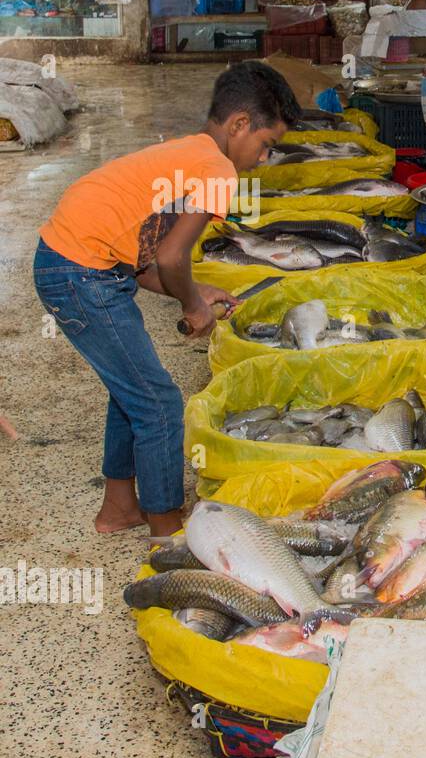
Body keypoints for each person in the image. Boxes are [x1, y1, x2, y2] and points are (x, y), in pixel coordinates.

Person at [33, 62, 302, 536]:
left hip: (77, 262)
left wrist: (195, 291)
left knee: (133, 389)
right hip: (81, 273)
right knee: (158, 402)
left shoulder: (188, 152)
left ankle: (119, 508)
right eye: (266, 145)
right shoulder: (217, 169)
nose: (263, 159)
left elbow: (143, 263)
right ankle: (166, 528)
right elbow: (173, 256)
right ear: (239, 124)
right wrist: (193, 306)